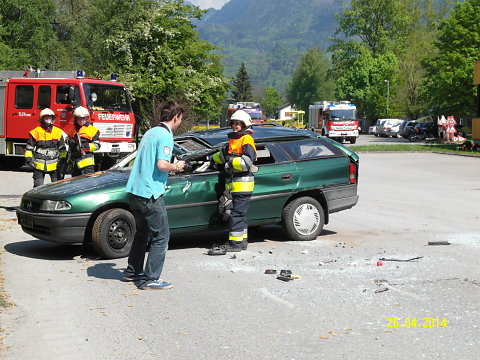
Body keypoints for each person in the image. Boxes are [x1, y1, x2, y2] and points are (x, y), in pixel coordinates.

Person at [122, 101, 186, 290]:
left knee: (142, 233)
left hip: (135, 191)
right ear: (175, 117)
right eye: (180, 119)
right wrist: (177, 166)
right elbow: (161, 164)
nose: (180, 122)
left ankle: (132, 271)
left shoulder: (150, 132)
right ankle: (151, 278)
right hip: (150, 193)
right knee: (161, 236)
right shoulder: (166, 135)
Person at [210, 109, 257, 254]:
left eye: (238, 124)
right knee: (240, 214)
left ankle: (235, 244)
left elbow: (248, 162)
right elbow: (223, 155)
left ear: (244, 125)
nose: (235, 126)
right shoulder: (234, 140)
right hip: (235, 185)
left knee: (236, 214)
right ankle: (242, 242)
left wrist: (229, 164)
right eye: (233, 123)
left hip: (242, 184)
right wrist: (212, 160)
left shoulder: (246, 139)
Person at [25, 108, 66, 187]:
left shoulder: (57, 132)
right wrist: (29, 159)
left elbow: (62, 148)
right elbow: (29, 148)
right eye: (46, 117)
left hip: (55, 164)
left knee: (57, 187)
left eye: (50, 117)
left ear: (53, 119)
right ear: (42, 119)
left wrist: (63, 160)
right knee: (38, 187)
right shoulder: (36, 132)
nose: (48, 119)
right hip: (39, 164)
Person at [67, 106, 101, 176]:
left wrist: (86, 147)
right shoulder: (72, 129)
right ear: (75, 119)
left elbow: (97, 145)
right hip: (75, 162)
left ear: (87, 118)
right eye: (79, 119)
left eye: (83, 119)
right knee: (75, 183)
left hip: (87, 163)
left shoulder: (92, 130)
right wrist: (70, 142)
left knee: (88, 183)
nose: (82, 120)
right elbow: (67, 139)